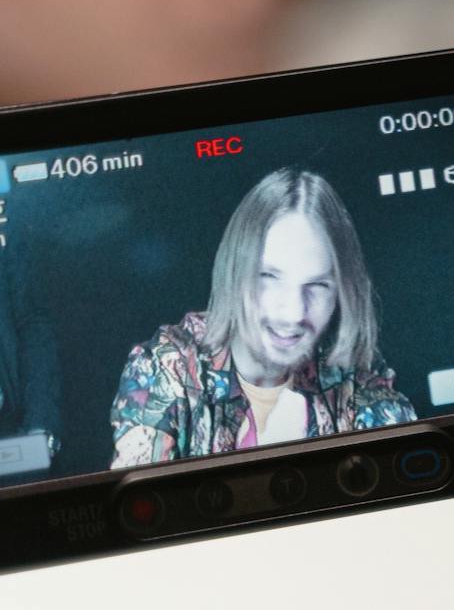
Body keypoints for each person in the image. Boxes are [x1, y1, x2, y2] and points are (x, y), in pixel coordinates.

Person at [110, 168, 415, 466]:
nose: (294, 312)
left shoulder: (354, 375)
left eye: (318, 285)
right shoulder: (168, 365)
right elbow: (143, 504)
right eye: (268, 277)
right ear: (234, 272)